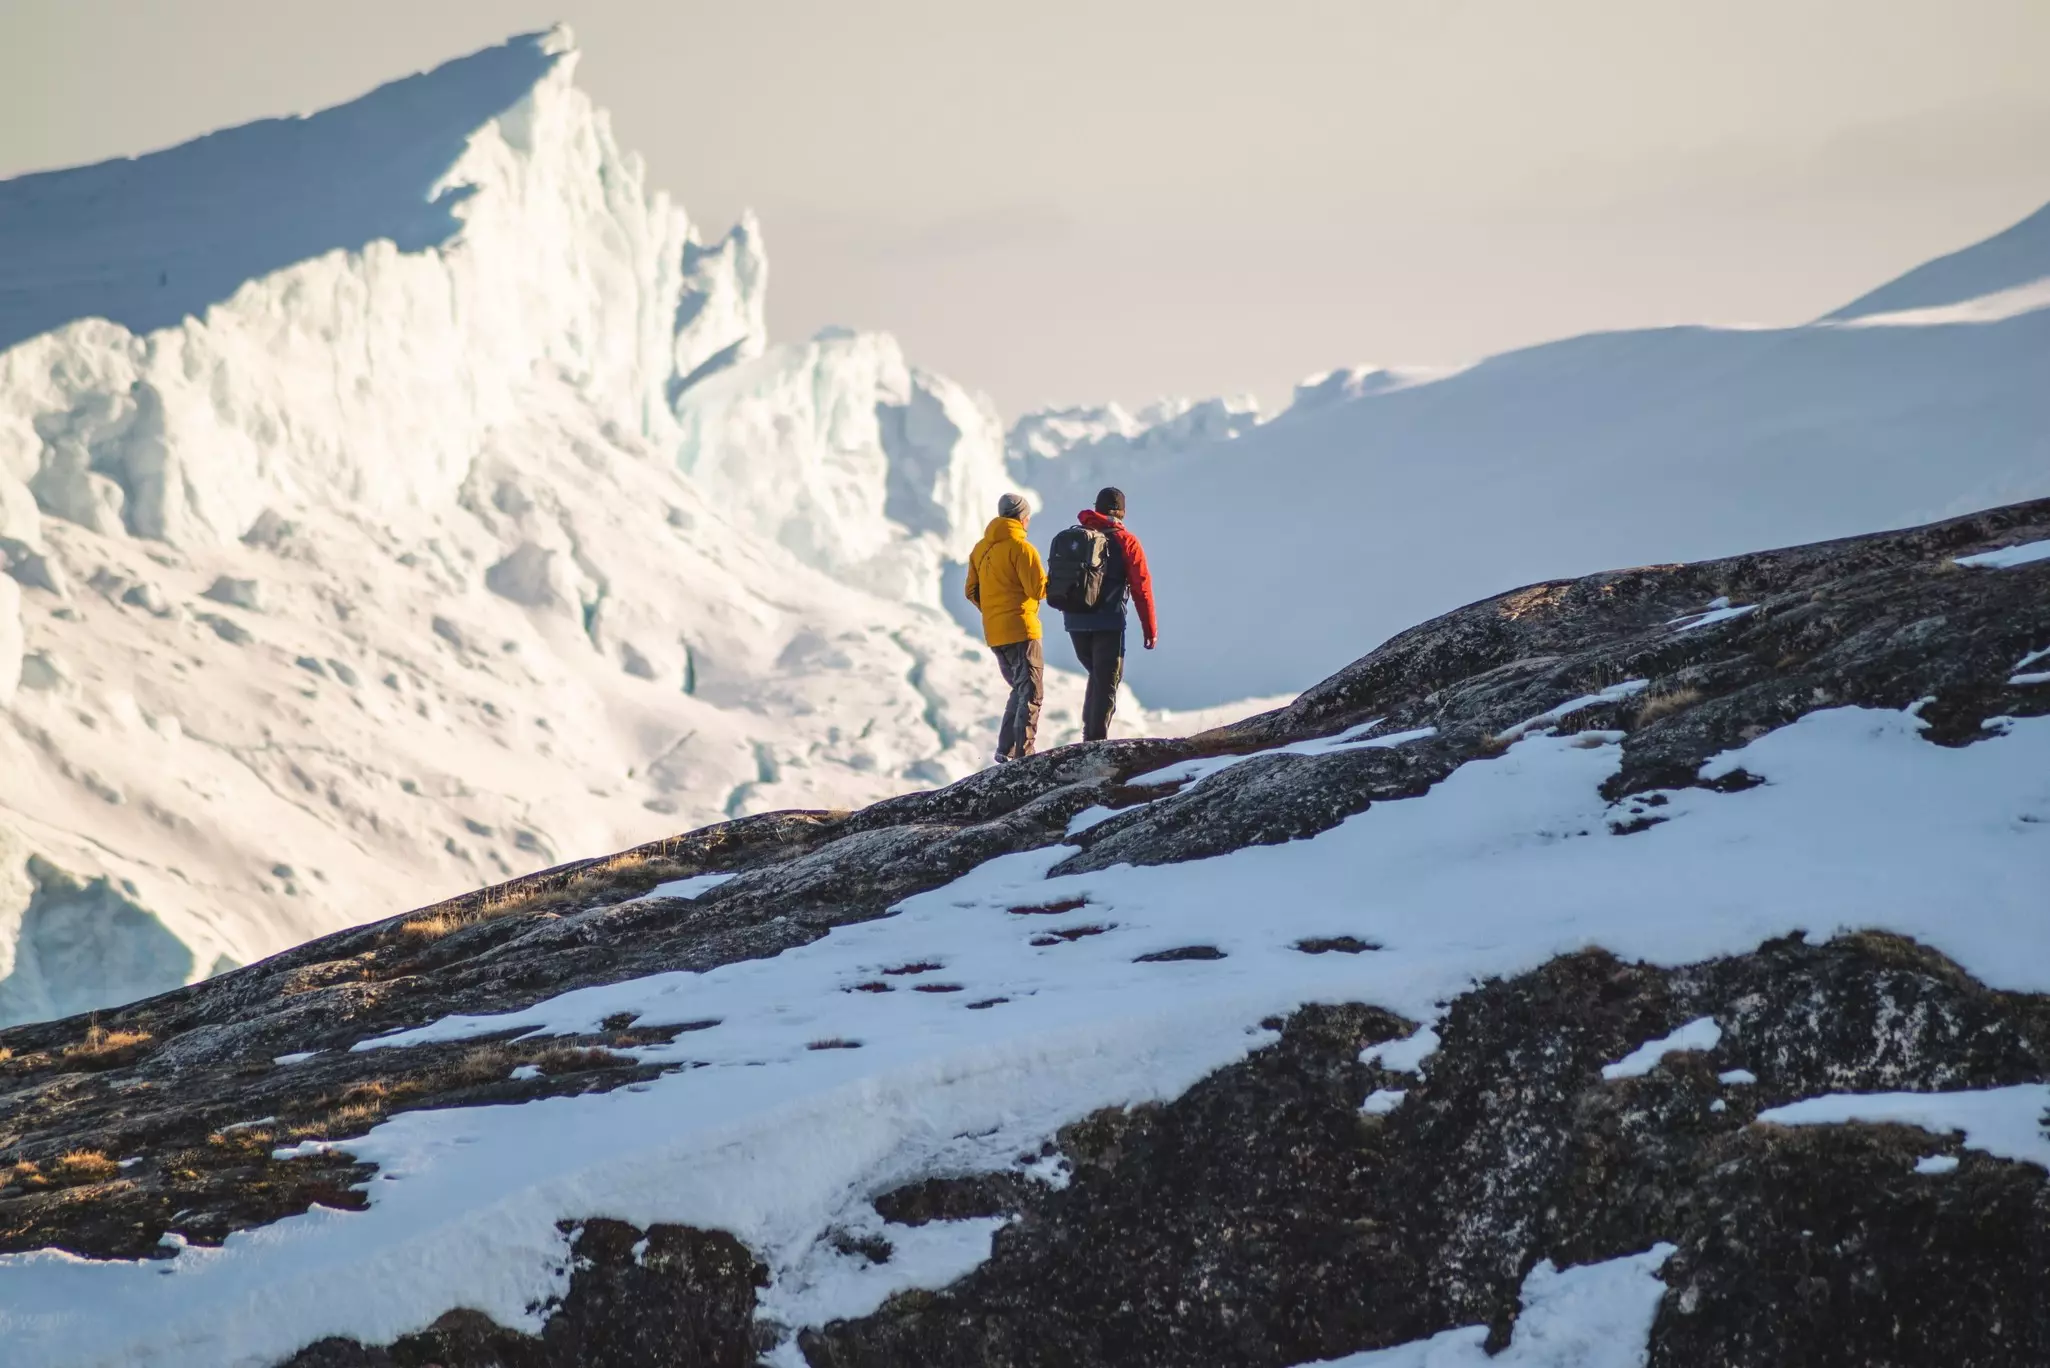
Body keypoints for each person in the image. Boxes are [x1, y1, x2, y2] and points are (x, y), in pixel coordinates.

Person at [1059, 486, 1157, 741]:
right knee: (1108, 681)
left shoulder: (1077, 536)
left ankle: (1089, 734)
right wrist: (1150, 630)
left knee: (1097, 676)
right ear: (1122, 512)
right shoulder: (1127, 541)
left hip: (1075, 621)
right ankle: (1094, 742)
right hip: (1108, 621)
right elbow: (1141, 588)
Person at [963, 492, 1047, 764]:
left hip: (995, 633)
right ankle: (1024, 756)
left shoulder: (980, 549)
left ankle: (1006, 751)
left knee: (1019, 689)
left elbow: (971, 591)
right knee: (1032, 692)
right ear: (1023, 518)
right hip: (1022, 629)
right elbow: (1039, 589)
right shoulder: (1022, 548)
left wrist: (993, 612)